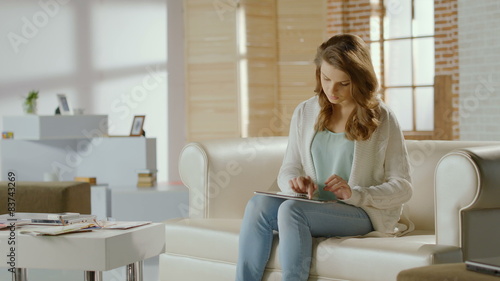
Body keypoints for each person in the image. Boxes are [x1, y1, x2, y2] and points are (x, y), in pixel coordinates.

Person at [235, 34, 413, 281]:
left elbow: (403, 187)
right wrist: (295, 182)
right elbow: (289, 168)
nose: (332, 90)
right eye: (326, 78)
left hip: (361, 212)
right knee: (257, 206)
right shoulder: (306, 111)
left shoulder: (382, 118)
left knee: (291, 211)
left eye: (344, 83)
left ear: (359, 81)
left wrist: (355, 193)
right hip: (314, 206)